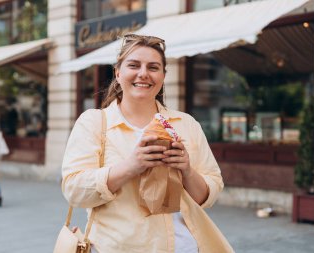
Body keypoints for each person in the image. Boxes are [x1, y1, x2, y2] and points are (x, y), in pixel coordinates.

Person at [61, 34, 234, 253]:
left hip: (184, 247)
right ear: (118, 72)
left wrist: (187, 170)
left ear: (163, 75)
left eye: (153, 67)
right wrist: (131, 166)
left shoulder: (186, 124)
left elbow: (210, 192)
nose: (143, 74)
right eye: (134, 65)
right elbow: (74, 190)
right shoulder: (94, 122)